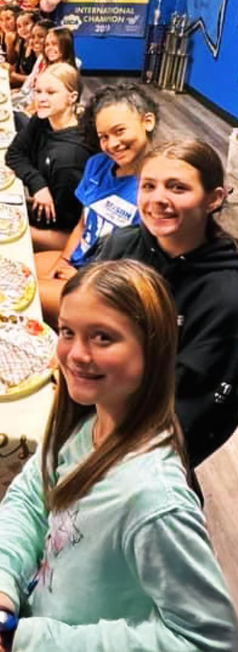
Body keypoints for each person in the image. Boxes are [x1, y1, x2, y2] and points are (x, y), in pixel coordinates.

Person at [0, 260, 238, 652]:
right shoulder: (88, 423)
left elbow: (209, 639)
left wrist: (39, 639)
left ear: (153, 350)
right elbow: (31, 495)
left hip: (54, 638)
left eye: (103, 338)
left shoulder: (154, 500)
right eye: (67, 332)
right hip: (36, 606)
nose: (76, 354)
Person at [95, 140, 238, 467]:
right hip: (97, 394)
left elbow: (195, 408)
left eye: (177, 187)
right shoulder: (121, 244)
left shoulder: (226, 296)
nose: (158, 199)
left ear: (214, 199)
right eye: (149, 186)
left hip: (147, 439)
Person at [36, 83, 158, 325]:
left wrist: (85, 278)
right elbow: (83, 224)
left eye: (120, 131)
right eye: (104, 137)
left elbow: (139, 269)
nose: (112, 144)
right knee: (11, 270)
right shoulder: (97, 164)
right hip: (79, 262)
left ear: (148, 122)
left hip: (108, 290)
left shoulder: (156, 188)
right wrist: (64, 260)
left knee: (18, 293)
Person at [5, 64, 92, 251]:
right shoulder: (42, 119)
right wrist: (38, 185)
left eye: (51, 92)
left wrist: (18, 232)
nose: (41, 99)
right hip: (43, 212)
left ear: (72, 97)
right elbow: (14, 154)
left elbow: (68, 232)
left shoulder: (69, 160)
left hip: (60, 234)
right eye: (38, 91)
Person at [8, 11, 37, 88]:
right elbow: (19, 67)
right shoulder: (22, 43)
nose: (23, 29)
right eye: (19, 26)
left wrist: (13, 75)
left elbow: (37, 80)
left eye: (26, 24)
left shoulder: (38, 47)